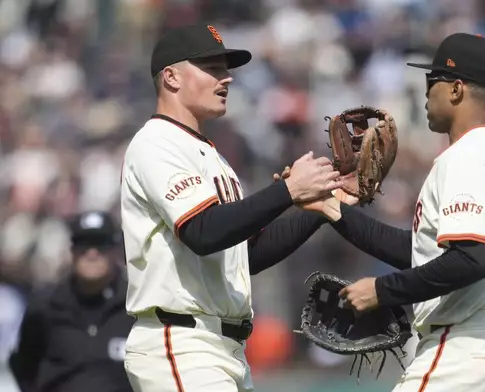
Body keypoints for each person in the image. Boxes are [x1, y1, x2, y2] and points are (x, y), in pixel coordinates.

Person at [302, 33, 485, 391]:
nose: (425, 92)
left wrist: (383, 290)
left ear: (456, 89)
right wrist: (332, 208)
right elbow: (423, 251)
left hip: (472, 347)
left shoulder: (467, 156)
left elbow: (473, 259)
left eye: (433, 81)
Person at [119, 24, 343, 392]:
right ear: (171, 77)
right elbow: (204, 232)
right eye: (211, 67)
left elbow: (246, 255)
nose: (226, 79)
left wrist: (318, 207)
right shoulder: (157, 142)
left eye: (225, 69)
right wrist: (286, 191)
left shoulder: (214, 157)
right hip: (183, 341)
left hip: (223, 350)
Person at [9, 211, 133, 392]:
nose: (92, 253)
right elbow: (25, 366)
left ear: (115, 250)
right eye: (84, 244)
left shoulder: (136, 306)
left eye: (101, 244)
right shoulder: (45, 306)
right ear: (71, 250)